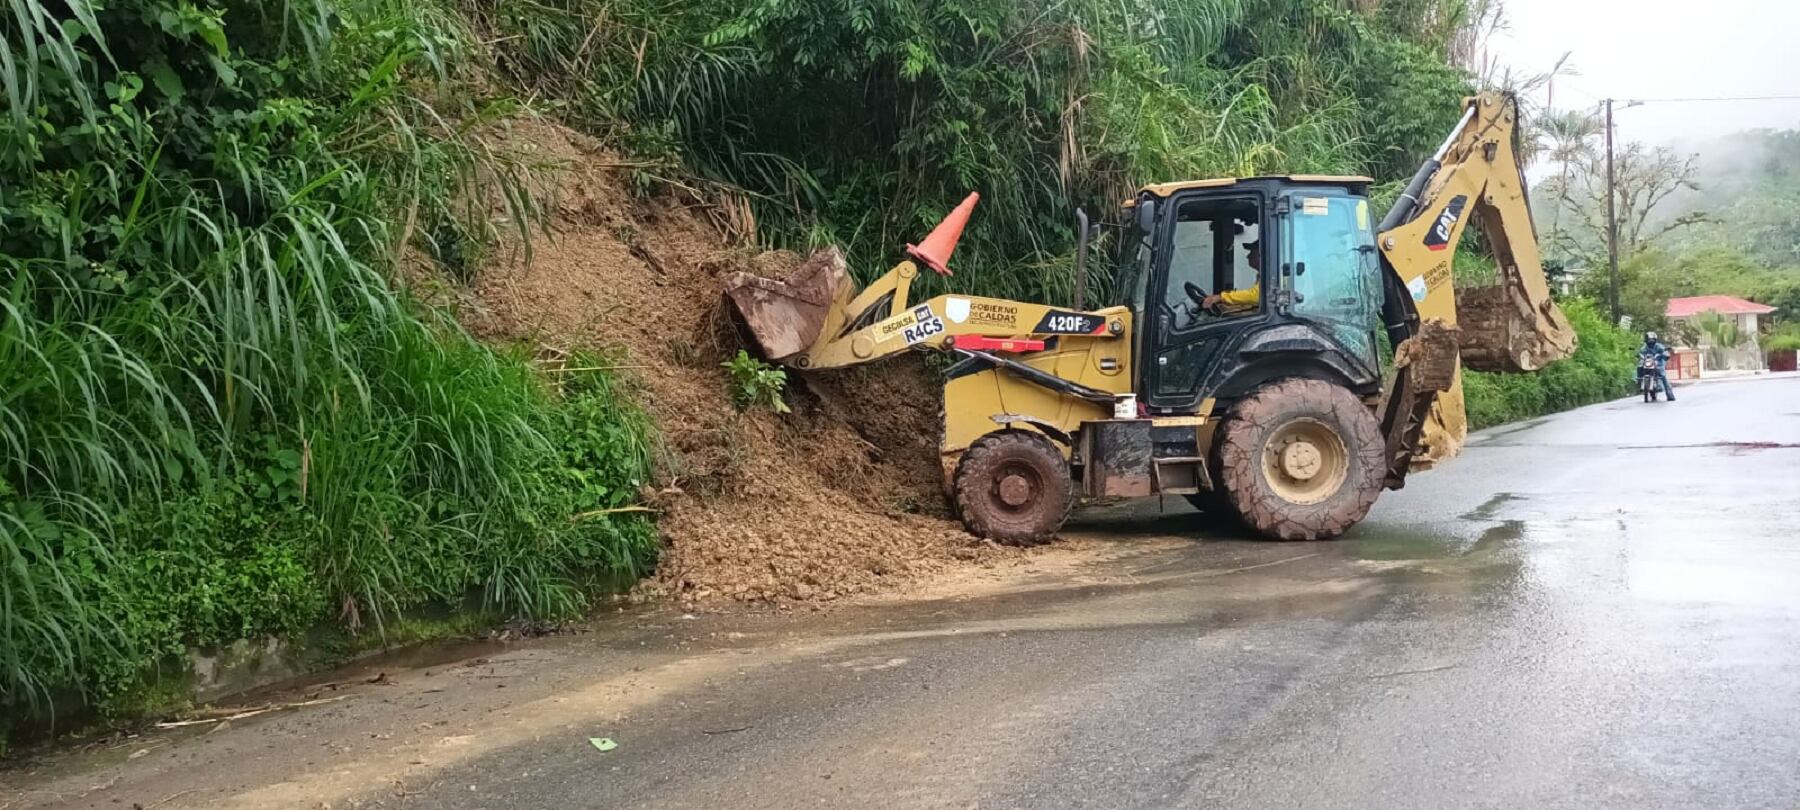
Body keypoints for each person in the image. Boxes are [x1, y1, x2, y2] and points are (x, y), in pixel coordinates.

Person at [1202, 240, 1261, 312]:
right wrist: (1232, 308)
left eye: (1252, 253)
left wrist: (1220, 297)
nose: (1247, 256)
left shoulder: (1273, 276)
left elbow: (1256, 296)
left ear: (1261, 255)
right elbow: (1256, 303)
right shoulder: (1263, 275)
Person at [1639, 331, 1676, 402]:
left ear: (1655, 340)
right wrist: (1639, 355)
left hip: (1658, 363)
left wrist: (1665, 355)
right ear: (1646, 340)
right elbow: (1640, 352)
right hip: (1648, 363)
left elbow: (1664, 351)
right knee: (1640, 367)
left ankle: (1670, 395)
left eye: (1652, 340)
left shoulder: (1659, 346)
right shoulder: (1644, 347)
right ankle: (1639, 381)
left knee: (1662, 376)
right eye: (1649, 340)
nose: (1650, 341)